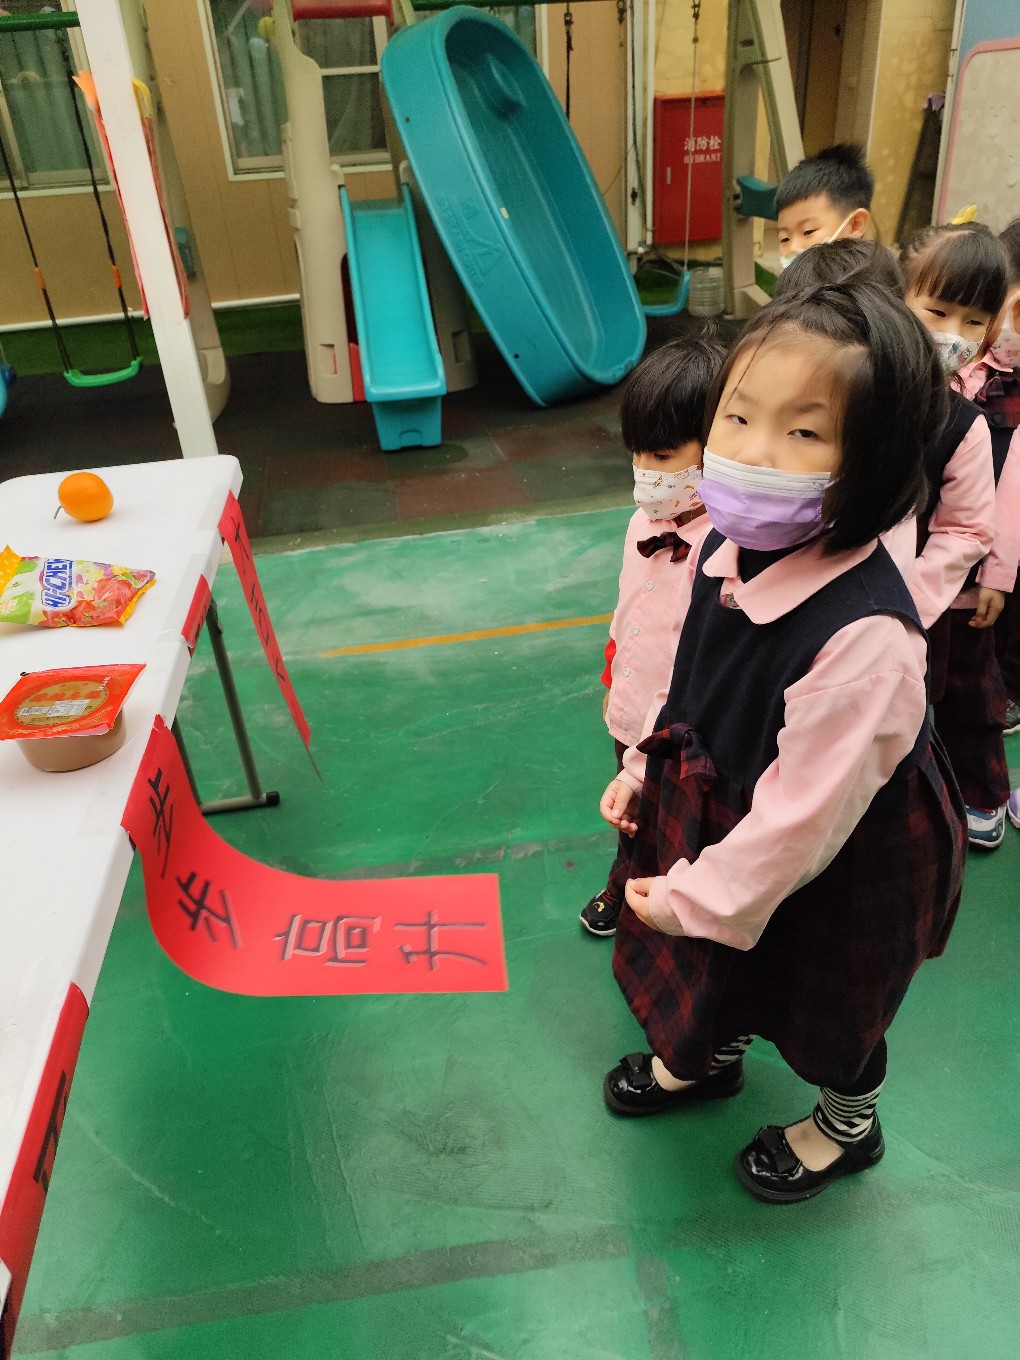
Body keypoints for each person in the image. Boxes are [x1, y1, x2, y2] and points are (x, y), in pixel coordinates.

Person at [599, 280, 965, 1204]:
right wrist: (643, 763)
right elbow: (689, 676)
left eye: (804, 431)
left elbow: (802, 826)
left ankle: (847, 1123)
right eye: (737, 416)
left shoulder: (866, 641)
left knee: (829, 1000)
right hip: (730, 806)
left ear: (878, 456)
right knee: (727, 963)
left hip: (840, 852)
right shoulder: (724, 547)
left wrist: (696, 896)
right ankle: (708, 1059)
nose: (752, 452)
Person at [582, 337, 728, 936]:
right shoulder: (642, 522)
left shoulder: (722, 549)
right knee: (630, 816)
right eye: (637, 453)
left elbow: (694, 666)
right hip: (631, 707)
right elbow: (627, 611)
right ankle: (625, 879)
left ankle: (669, 902)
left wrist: (642, 762)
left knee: (678, 821)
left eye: (663, 454)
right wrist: (613, 679)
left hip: (680, 727)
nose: (646, 470)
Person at [900, 223, 1015, 848]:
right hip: (868, 599)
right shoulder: (865, 391)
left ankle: (979, 794)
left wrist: (911, 600)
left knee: (967, 700)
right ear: (900, 297)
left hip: (948, 598)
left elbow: (974, 523)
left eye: (974, 321)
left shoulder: (963, 419)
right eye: (937, 311)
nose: (953, 333)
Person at [959, 219, 1020, 733]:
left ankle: (1008, 691)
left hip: (1005, 544)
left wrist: (999, 572)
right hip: (964, 531)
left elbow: (1013, 494)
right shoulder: (970, 363)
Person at [775, 144, 873, 269]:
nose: (793, 247)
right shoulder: (795, 279)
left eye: (808, 231)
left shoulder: (872, 279)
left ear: (855, 224)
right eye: (784, 239)